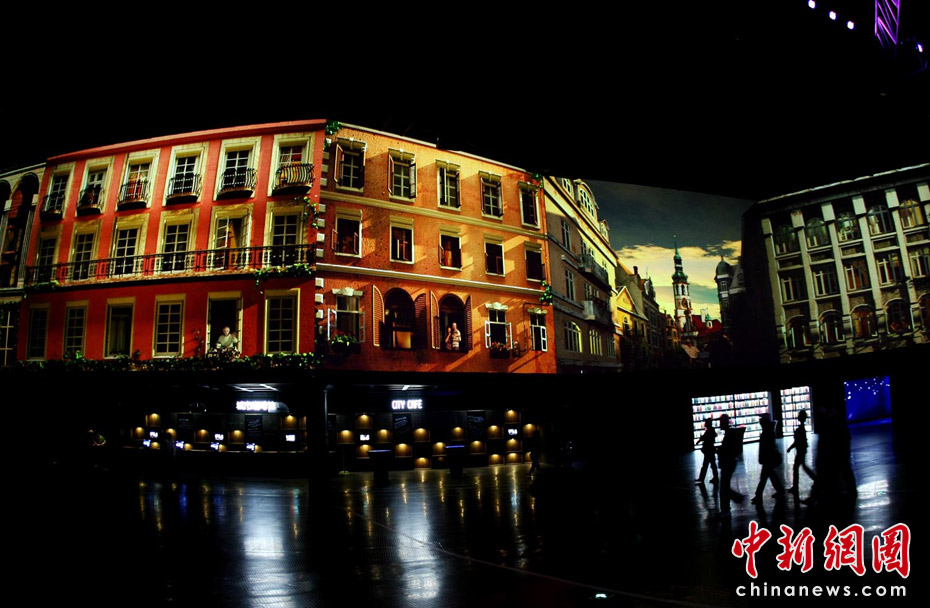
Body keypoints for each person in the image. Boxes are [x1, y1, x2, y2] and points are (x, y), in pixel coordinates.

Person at [752, 413, 785, 504]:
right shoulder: (769, 431)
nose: (760, 422)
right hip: (769, 458)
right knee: (770, 476)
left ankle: (758, 495)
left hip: (768, 459)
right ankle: (780, 490)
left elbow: (765, 447)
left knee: (764, 478)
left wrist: (762, 457)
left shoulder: (766, 433)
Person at [717, 414, 741, 517]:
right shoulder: (730, 433)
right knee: (724, 486)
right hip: (729, 462)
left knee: (724, 487)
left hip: (727, 463)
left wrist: (720, 450)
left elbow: (728, 449)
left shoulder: (729, 434)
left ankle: (726, 510)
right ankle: (729, 506)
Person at [786, 409, 816, 494]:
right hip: (802, 450)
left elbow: (797, 442)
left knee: (796, 468)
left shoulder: (800, 429)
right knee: (802, 466)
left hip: (800, 450)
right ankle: (815, 479)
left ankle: (795, 486)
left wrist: (790, 448)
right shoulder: (801, 428)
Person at [695, 418, 718, 484]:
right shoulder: (712, 430)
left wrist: (698, 441)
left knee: (706, 465)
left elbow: (703, 437)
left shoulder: (708, 431)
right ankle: (715, 478)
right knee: (712, 465)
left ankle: (702, 478)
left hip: (708, 450)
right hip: (711, 450)